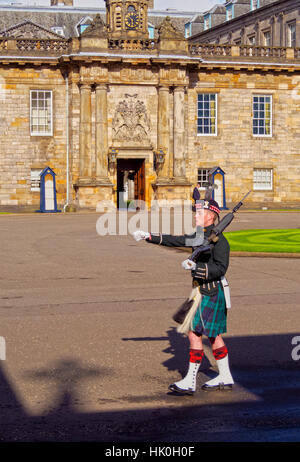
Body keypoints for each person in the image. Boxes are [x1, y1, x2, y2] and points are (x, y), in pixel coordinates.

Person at [133, 199, 234, 395]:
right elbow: (177, 240)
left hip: (211, 292)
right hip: (200, 291)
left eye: (199, 213)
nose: (195, 216)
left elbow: (221, 268)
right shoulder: (200, 236)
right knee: (213, 336)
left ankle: (190, 381)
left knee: (194, 333)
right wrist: (148, 236)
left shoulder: (221, 241)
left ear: (210, 216)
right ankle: (225, 375)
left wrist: (197, 267)